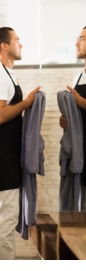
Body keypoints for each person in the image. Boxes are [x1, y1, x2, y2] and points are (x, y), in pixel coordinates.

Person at [0, 27, 41, 260]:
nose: (21, 45)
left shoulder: (5, 72)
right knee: (6, 213)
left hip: (5, 150)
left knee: (3, 210)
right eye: (17, 40)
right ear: (4, 46)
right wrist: (26, 103)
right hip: (0, 151)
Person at [59, 26, 86, 212]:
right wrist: (66, 119)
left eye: (82, 38)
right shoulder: (79, 76)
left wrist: (79, 100)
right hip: (80, 149)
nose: (77, 43)